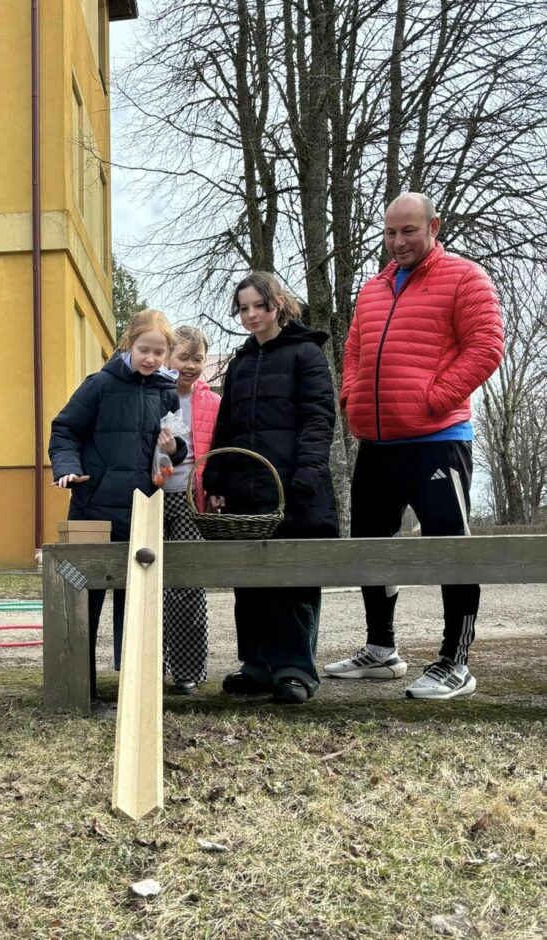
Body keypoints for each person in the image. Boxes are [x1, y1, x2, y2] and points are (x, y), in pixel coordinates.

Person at [326, 192, 503, 699]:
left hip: (437, 441)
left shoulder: (465, 278)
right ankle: (381, 650)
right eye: (390, 232)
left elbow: (487, 346)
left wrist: (435, 398)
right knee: (371, 545)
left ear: (433, 228)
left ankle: (456, 661)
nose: (398, 242)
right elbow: (355, 348)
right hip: (377, 444)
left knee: (450, 550)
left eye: (409, 231)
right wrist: (351, 395)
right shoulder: (374, 288)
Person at [204, 273, 338, 705]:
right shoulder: (241, 362)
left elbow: (319, 420)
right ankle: (257, 665)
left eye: (257, 306)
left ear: (277, 304)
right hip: (247, 493)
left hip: (296, 490)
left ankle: (295, 670)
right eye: (242, 309)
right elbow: (227, 425)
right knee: (251, 583)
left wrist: (306, 476)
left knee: (293, 583)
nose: (250, 316)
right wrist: (217, 479)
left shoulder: (306, 354)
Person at [49, 309, 188, 701]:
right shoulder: (99, 385)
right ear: (129, 344)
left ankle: (135, 683)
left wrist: (173, 449)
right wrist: (68, 468)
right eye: (145, 349)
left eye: (159, 353)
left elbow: (175, 449)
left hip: (143, 510)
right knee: (84, 595)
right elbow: (65, 430)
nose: (151, 359)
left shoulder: (166, 391)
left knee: (138, 598)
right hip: (94, 507)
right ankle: (80, 682)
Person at [161, 326, 221, 695]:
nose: (190, 366)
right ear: (168, 358)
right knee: (149, 582)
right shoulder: (151, 394)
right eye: (183, 357)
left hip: (189, 499)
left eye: (197, 359)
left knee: (186, 584)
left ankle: (187, 669)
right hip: (150, 496)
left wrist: (214, 490)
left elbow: (217, 452)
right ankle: (149, 663)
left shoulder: (212, 402)